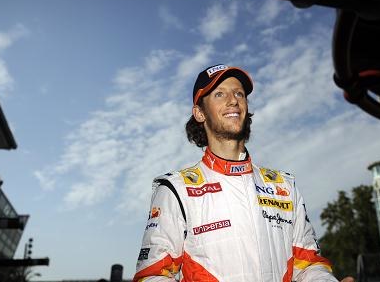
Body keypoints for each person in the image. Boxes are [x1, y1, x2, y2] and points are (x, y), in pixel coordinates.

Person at [134, 64, 353, 282]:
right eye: (219, 94)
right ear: (200, 113)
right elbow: (153, 275)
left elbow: (307, 264)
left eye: (239, 93)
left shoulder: (284, 187)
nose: (233, 100)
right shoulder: (176, 190)